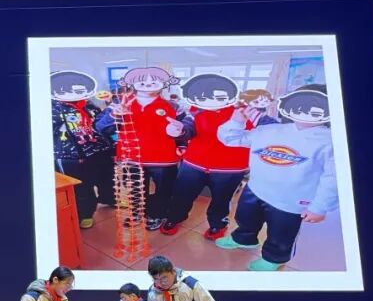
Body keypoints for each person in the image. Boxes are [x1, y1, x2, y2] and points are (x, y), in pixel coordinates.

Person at [215, 87, 338, 271]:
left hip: (292, 201)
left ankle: (275, 257)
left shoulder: (331, 141)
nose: (304, 113)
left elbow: (333, 178)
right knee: (245, 219)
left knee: (281, 234)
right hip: (255, 189)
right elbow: (230, 139)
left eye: (315, 109)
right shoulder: (270, 129)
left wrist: (320, 207)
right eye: (299, 106)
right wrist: (237, 120)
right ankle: (244, 239)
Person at [161, 74, 271, 240]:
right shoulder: (196, 111)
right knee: (182, 194)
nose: (210, 100)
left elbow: (271, 129)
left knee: (221, 199)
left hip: (230, 168)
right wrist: (179, 130)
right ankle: (174, 218)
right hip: (193, 164)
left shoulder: (246, 111)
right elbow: (188, 128)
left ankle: (217, 224)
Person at [95, 66, 191, 231]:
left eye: (154, 81)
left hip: (164, 159)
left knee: (163, 190)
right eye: (142, 81)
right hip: (131, 157)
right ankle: (136, 213)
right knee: (135, 189)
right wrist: (113, 116)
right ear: (132, 83)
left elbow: (186, 129)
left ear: (164, 83)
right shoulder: (118, 104)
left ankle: (157, 214)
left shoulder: (174, 106)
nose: (148, 84)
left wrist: (181, 137)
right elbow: (100, 128)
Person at [49, 70, 116, 229]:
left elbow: (98, 125)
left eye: (78, 89)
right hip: (72, 155)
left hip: (99, 150)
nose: (74, 93)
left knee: (107, 178)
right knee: (82, 187)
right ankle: (85, 213)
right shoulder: (50, 109)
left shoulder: (88, 104)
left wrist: (111, 111)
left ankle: (109, 198)